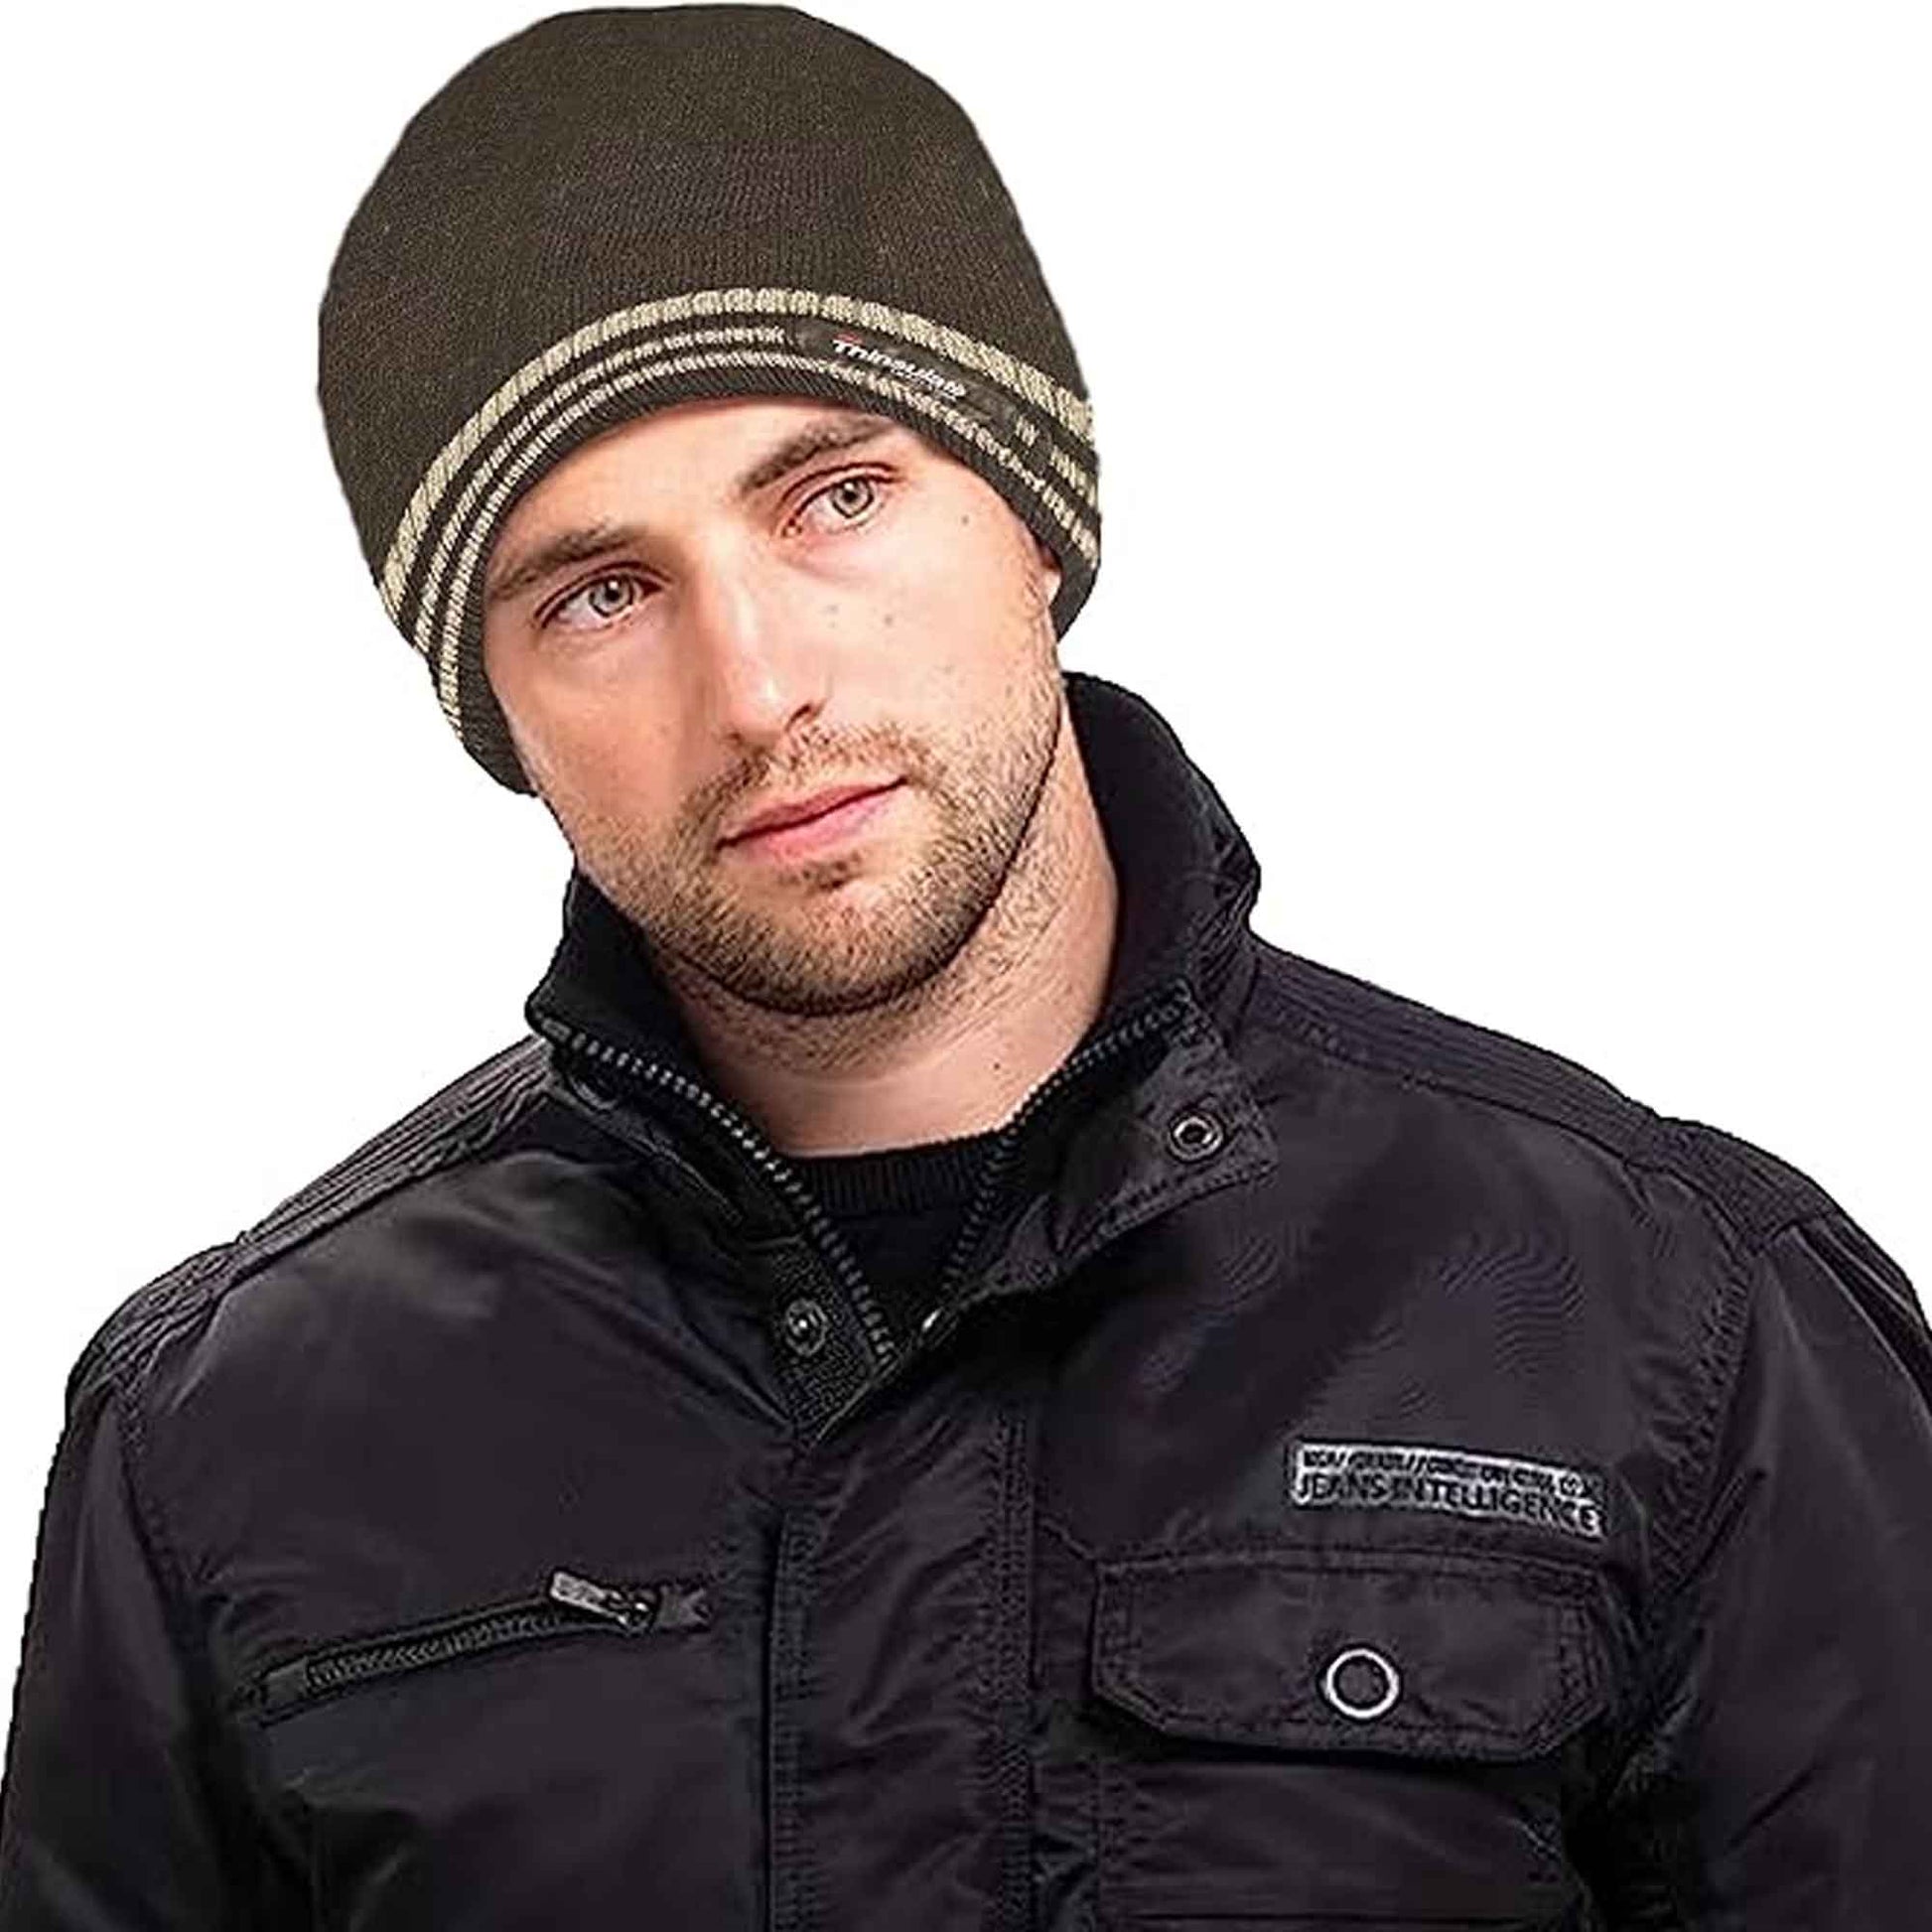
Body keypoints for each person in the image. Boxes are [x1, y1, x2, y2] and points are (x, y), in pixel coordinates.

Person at [2, 6, 1926, 1925]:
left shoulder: (1672, 1317)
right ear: (496, 710)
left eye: (835, 497)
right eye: (600, 593)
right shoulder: (224, 1429)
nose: (758, 688)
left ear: (1036, 517)